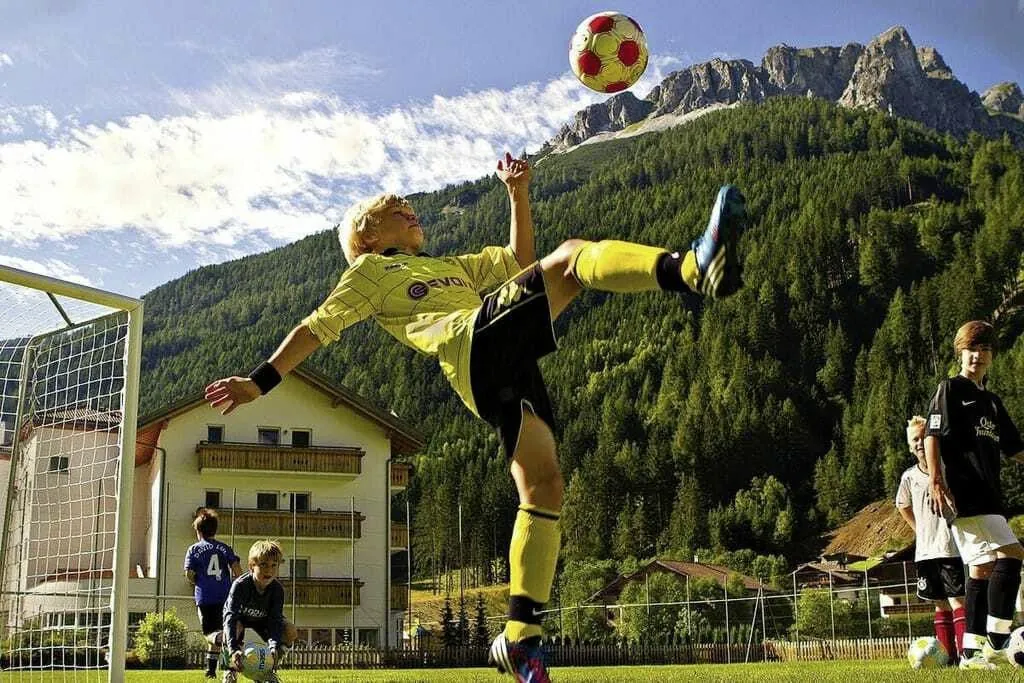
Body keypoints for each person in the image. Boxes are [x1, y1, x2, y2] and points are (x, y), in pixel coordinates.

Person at [205, 152, 748, 682]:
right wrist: (259, 381)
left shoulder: (450, 267)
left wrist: (518, 195)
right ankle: (692, 269)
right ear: (366, 238)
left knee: (544, 488)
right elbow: (316, 328)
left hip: (500, 371)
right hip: (472, 346)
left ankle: (520, 635)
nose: (410, 209)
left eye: (409, 205)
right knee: (572, 258)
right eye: (396, 208)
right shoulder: (370, 270)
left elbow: (518, 262)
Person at [925, 320, 1024, 670]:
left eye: (983, 349)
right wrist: (936, 480)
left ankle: (971, 652)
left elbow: (1015, 449)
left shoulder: (992, 403)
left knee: (981, 569)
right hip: (964, 492)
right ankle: (999, 639)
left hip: (990, 494)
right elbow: (932, 435)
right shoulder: (950, 389)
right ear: (960, 353)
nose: (976, 356)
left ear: (992, 355)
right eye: (970, 349)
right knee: (1013, 553)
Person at [896, 416, 965, 665]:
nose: (919, 443)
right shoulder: (909, 477)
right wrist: (919, 528)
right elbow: (902, 505)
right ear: (909, 446)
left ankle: (967, 654)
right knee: (939, 603)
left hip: (950, 547)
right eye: (914, 439)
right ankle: (947, 657)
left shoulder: (947, 469)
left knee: (958, 600)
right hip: (925, 552)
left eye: (923, 437)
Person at [221, 540, 298, 683]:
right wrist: (233, 649)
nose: (269, 570)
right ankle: (230, 669)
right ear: (252, 566)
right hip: (240, 620)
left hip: (263, 621)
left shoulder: (277, 590)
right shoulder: (240, 586)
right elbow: (230, 617)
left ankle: (268, 670)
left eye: (274, 565)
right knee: (232, 629)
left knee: (290, 630)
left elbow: (275, 620)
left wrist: (274, 646)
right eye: (263, 565)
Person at [185, 508, 242, 679]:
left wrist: (198, 581)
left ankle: (216, 663)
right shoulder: (225, 548)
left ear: (198, 531)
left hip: (205, 598)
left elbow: (189, 573)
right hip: (226, 598)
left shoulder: (193, 549)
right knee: (225, 632)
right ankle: (214, 671)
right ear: (215, 530)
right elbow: (237, 570)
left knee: (211, 634)